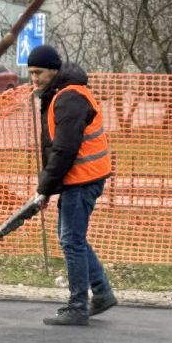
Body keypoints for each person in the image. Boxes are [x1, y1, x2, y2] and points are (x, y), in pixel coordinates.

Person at [28, 44, 116, 326]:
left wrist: (44, 188)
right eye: (31, 73)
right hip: (81, 177)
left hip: (82, 178)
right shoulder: (62, 93)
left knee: (71, 240)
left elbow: (64, 150)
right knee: (72, 237)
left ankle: (78, 305)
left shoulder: (68, 98)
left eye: (39, 72)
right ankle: (101, 292)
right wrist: (48, 187)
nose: (35, 78)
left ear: (54, 70)